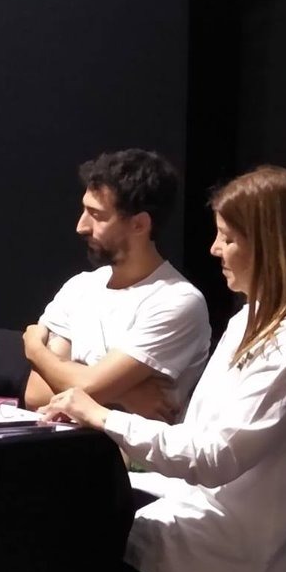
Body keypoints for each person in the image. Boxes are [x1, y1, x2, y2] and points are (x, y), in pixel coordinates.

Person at [39, 166, 286, 572]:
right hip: (197, 512)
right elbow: (200, 441)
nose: (214, 249)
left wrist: (102, 416)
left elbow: (214, 457)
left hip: (225, 552)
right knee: (61, 514)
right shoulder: (251, 318)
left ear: (270, 246)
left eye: (228, 238)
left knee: (56, 550)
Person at [22, 149, 210, 420]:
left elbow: (88, 387)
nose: (81, 226)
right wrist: (125, 393)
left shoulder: (177, 300)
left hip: (126, 449)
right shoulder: (79, 287)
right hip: (64, 442)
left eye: (96, 215)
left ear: (139, 224)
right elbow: (36, 393)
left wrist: (35, 350)